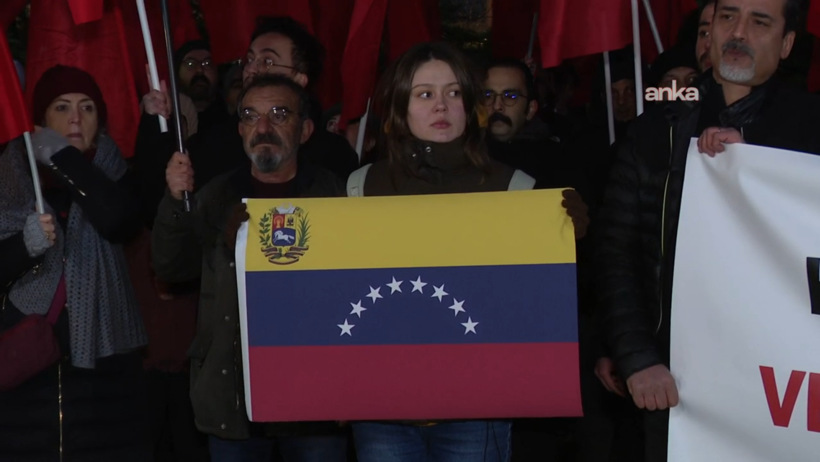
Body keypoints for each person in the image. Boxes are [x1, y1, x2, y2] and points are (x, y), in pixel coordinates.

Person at [594, 1, 820, 461]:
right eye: (727, 17)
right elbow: (615, 252)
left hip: (784, 387)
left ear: (787, 43)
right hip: (673, 387)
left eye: (759, 22)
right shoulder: (655, 128)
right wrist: (637, 358)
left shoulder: (811, 128)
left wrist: (756, 163)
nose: (738, 33)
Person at [345, 41, 589, 462]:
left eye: (453, 92)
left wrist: (566, 236)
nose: (441, 105)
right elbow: (335, 289)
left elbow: (535, 302)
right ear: (400, 108)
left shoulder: (515, 188)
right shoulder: (360, 186)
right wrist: (252, 237)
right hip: (382, 404)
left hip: (479, 406)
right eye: (425, 94)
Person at [151, 74, 348, 462]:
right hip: (233, 399)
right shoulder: (215, 196)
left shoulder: (337, 197)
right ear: (240, 129)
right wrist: (175, 201)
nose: (263, 127)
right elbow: (171, 269)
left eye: (279, 114)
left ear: (306, 130)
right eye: (250, 116)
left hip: (316, 398)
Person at [0, 65, 150, 461]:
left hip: (106, 374)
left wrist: (62, 155)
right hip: (25, 381)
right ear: (39, 120)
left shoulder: (115, 171)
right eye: (62, 107)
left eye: (87, 108)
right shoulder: (9, 178)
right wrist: (25, 245)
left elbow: (118, 221)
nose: (75, 119)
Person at [140, 16, 359, 192]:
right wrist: (155, 121)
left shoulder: (334, 155)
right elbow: (159, 199)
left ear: (299, 79)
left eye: (267, 61)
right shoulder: (213, 146)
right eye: (250, 59)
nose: (252, 69)